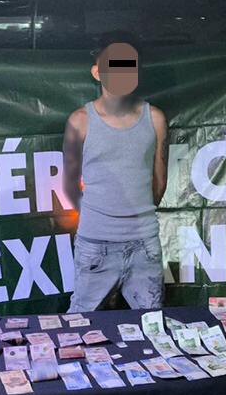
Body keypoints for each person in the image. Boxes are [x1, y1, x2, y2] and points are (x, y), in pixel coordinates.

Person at [63, 32, 168, 312]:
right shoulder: (80, 121)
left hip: (145, 243)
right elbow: (70, 185)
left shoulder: (155, 118)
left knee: (151, 323)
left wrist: (137, 218)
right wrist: (101, 219)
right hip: (95, 244)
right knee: (82, 323)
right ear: (97, 72)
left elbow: (159, 180)